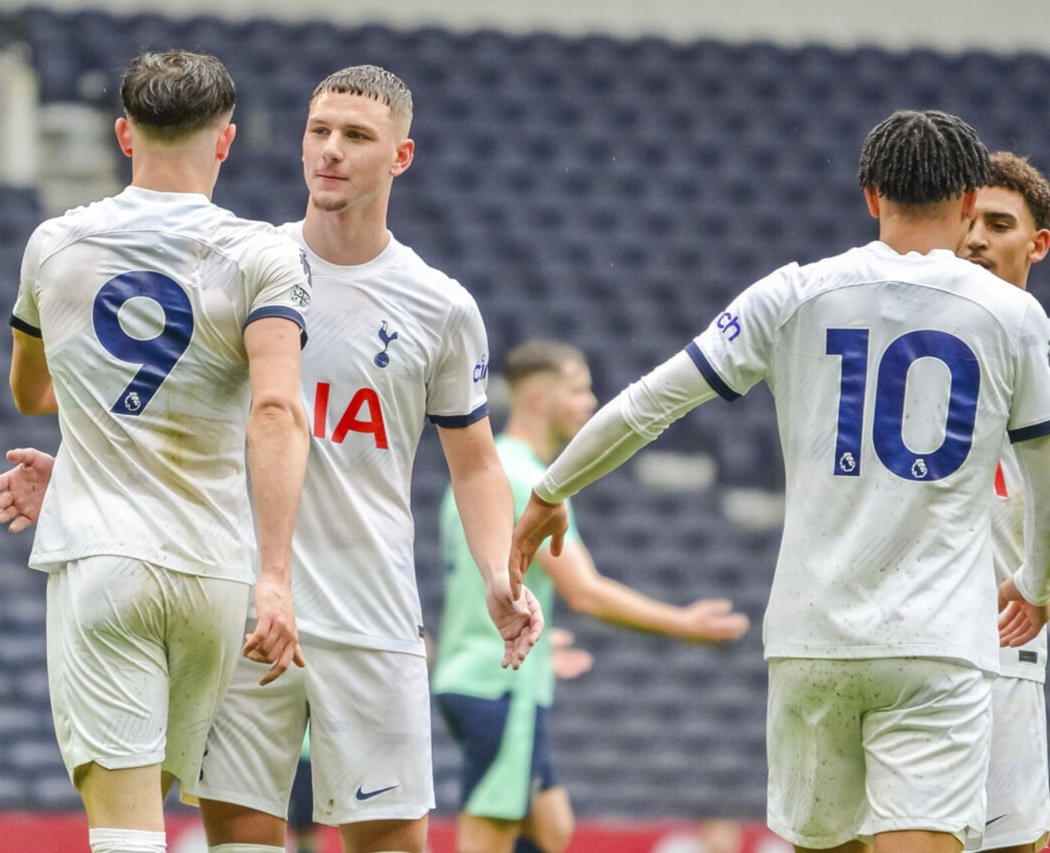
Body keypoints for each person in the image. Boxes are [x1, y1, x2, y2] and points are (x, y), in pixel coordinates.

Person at [0, 65, 543, 853]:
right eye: (319, 131)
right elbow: (150, 395)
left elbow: (478, 462)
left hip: (371, 614)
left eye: (357, 137)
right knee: (242, 841)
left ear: (401, 157)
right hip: (250, 610)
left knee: (391, 842)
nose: (331, 151)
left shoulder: (439, 305)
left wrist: (498, 569)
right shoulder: (238, 260)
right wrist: (79, 468)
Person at [509, 109, 1050, 853]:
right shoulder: (1014, 315)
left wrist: (549, 489)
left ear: (869, 196)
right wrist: (1037, 580)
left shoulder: (792, 292)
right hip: (935, 647)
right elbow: (1042, 467)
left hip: (811, 640)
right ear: (965, 206)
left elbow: (648, 402)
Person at [0, 50, 314, 853]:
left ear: (122, 134)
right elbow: (277, 406)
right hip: (216, 569)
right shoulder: (264, 254)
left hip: (104, 557)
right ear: (226, 141)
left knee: (126, 826)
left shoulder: (57, 244)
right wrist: (276, 574)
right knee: (192, 810)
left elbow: (34, 392)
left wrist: (87, 461)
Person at [434, 339, 751, 853]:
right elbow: (586, 592)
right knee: (487, 836)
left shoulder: (481, 476)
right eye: (578, 389)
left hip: (477, 672)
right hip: (500, 682)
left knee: (550, 828)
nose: (590, 401)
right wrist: (685, 624)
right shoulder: (532, 482)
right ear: (538, 397)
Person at [959, 151, 1050, 853]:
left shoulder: (1037, 351)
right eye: (967, 221)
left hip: (1014, 643)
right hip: (928, 646)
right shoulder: (913, 346)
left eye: (998, 223)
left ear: (1038, 243)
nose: (976, 238)